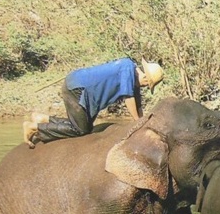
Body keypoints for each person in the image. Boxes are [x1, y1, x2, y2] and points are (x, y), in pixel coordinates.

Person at [23, 57, 163, 147]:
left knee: (84, 127)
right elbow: (129, 98)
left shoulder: (131, 76)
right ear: (145, 77)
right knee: (80, 130)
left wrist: (142, 122)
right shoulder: (127, 68)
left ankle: (44, 119)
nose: (145, 86)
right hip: (78, 88)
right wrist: (137, 124)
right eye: (147, 84)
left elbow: (137, 105)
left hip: (81, 88)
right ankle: (35, 127)